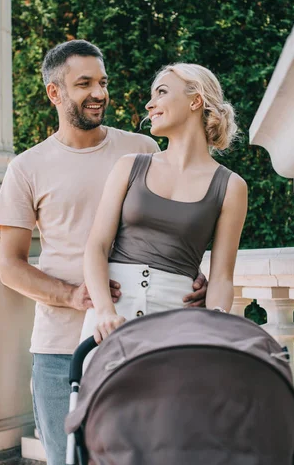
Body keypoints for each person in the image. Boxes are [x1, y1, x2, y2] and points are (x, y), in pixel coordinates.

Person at [0, 41, 207, 465]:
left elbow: (174, 227)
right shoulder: (26, 168)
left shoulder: (142, 149)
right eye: (84, 83)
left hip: (138, 339)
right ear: (54, 92)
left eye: (102, 82)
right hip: (59, 349)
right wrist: (72, 294)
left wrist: (195, 275)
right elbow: (10, 265)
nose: (98, 93)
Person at [81, 63, 248, 346]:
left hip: (178, 324)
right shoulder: (129, 167)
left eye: (161, 92)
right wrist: (105, 312)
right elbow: (96, 246)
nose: (149, 104)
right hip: (110, 322)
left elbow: (221, 277)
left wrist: (216, 322)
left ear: (196, 100)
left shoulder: (231, 186)